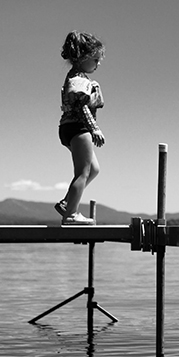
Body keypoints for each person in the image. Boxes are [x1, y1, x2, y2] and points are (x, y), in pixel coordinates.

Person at [54, 30, 106, 225]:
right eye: (95, 59)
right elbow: (81, 106)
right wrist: (94, 129)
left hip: (68, 128)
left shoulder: (75, 77)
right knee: (82, 172)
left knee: (93, 169)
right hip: (78, 128)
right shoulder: (79, 80)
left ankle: (68, 203)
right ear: (82, 58)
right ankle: (71, 215)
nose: (97, 64)